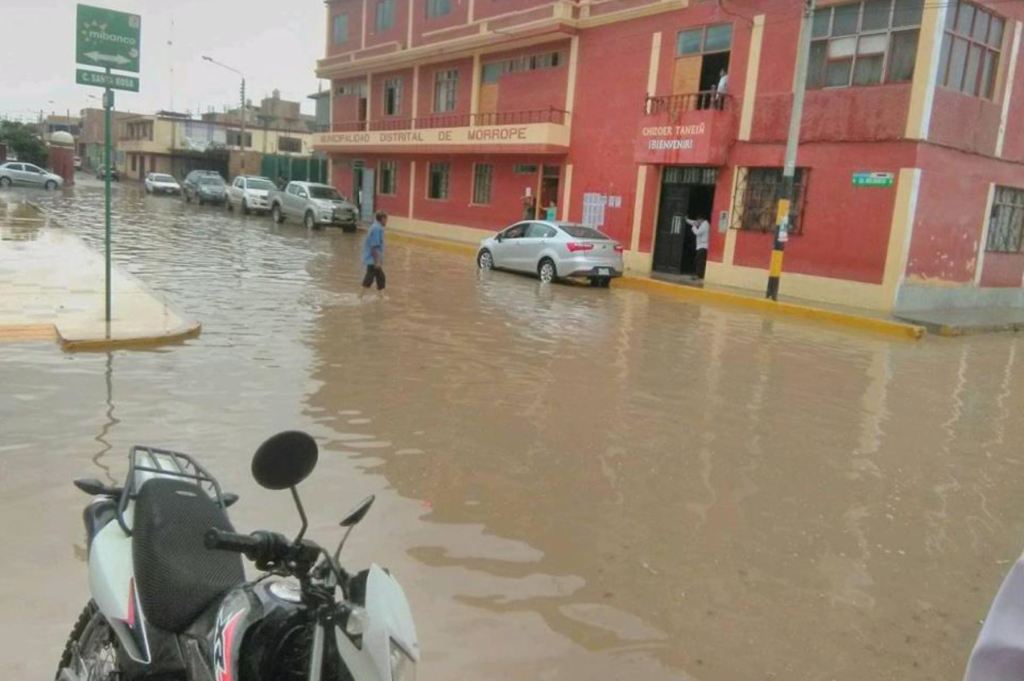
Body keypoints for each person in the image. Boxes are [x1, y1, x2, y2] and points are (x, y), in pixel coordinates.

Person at [360, 211, 387, 298]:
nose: (386, 222)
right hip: (373, 259)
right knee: (370, 277)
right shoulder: (377, 229)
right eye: (386, 220)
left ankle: (381, 296)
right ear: (382, 219)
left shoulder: (375, 227)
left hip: (372, 258)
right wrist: (377, 261)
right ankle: (360, 296)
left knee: (380, 277)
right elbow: (374, 246)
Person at [686, 215, 710, 281]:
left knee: (700, 262)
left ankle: (699, 275)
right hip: (701, 246)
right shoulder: (702, 223)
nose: (697, 222)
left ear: (701, 220)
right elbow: (694, 222)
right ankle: (699, 275)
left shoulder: (705, 225)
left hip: (703, 247)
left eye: (698, 221)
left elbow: (697, 232)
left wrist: (693, 227)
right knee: (698, 261)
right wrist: (687, 220)